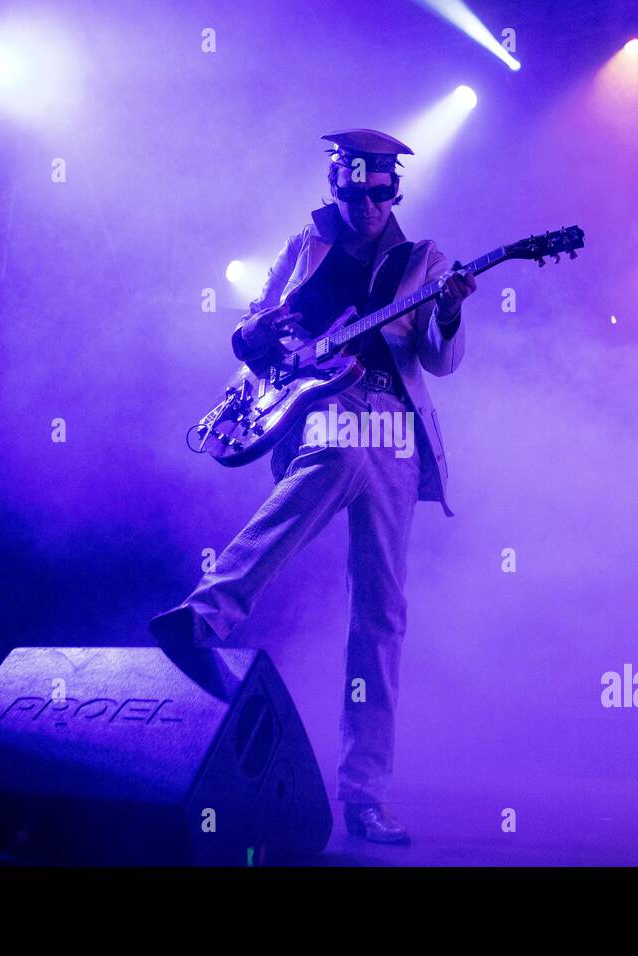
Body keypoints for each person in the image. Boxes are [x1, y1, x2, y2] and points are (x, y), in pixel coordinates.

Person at [150, 130, 476, 844]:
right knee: (341, 454)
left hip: (394, 425)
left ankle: (364, 792)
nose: (366, 204)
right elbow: (246, 336)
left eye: (380, 191)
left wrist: (448, 310)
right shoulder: (303, 247)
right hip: (320, 411)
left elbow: (440, 361)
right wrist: (262, 330)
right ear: (335, 186)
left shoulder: (425, 261)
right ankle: (205, 614)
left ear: (396, 189)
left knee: (384, 612)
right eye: (353, 190)